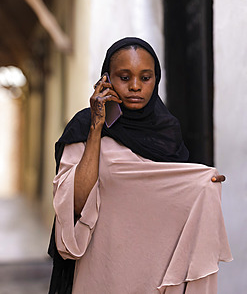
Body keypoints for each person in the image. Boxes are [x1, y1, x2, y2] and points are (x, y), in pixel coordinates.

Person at [48, 37, 232, 294]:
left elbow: (168, 199)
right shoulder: (83, 127)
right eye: (124, 77)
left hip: (155, 272)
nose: (135, 86)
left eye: (145, 78)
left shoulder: (167, 131)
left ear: (156, 80)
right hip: (103, 270)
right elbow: (75, 204)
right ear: (106, 79)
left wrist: (202, 187)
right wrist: (96, 128)